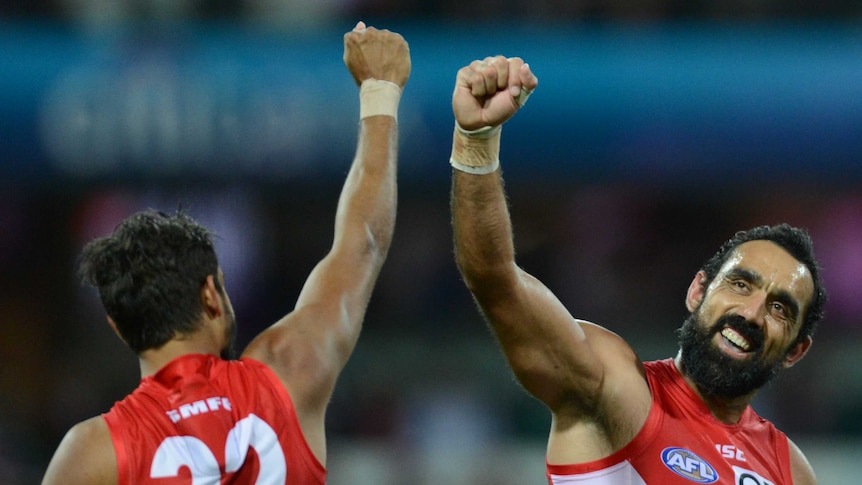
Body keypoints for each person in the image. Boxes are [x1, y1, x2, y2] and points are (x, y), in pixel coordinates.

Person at [41, 21, 410, 485]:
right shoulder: (290, 370)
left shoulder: (93, 452)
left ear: (119, 327)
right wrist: (380, 91)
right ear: (212, 294)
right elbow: (364, 242)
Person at [448, 55, 826, 484]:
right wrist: (476, 142)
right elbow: (494, 279)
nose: (752, 312)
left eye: (780, 309)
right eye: (740, 284)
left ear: (796, 349)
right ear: (698, 291)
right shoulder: (614, 387)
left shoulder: (789, 470)